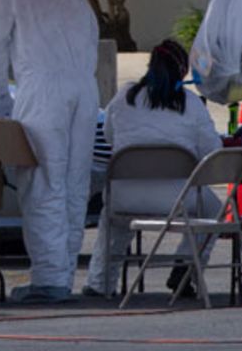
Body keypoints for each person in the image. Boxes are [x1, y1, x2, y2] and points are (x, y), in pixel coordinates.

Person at [0, 0, 99, 303]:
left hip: (43, 90)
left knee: (43, 180)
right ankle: (63, 272)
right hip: (85, 92)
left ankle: (49, 279)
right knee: (75, 182)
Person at [82, 40, 223, 298]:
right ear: (182, 72)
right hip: (176, 199)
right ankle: (186, 266)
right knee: (215, 208)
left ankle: (99, 282)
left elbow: (110, 136)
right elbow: (211, 151)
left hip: (125, 194)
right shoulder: (190, 103)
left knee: (111, 221)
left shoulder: (124, 96)